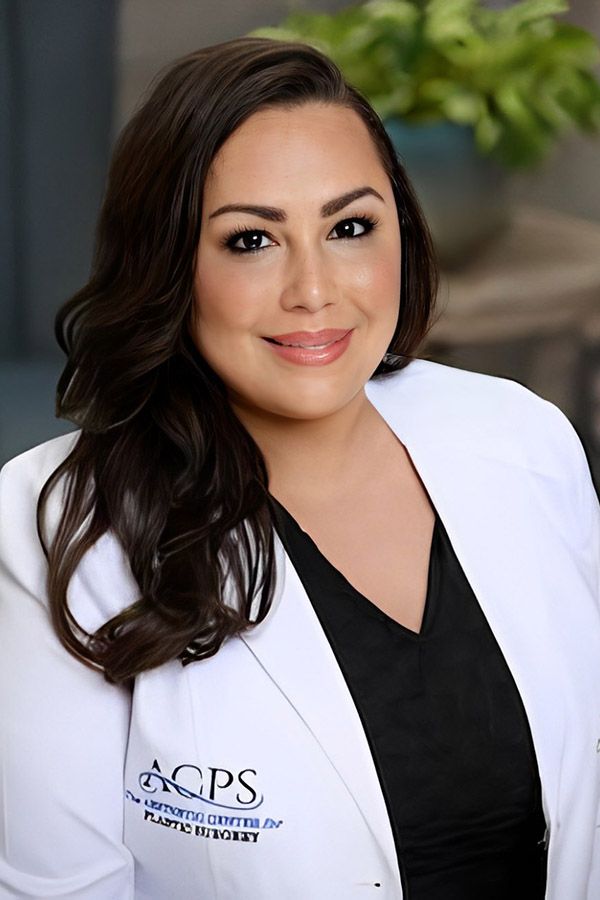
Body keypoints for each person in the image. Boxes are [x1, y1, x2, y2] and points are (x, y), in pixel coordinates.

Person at [0, 35, 599, 900]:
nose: (313, 288)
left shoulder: (525, 439)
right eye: (251, 241)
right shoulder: (57, 533)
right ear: (170, 264)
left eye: (350, 227)